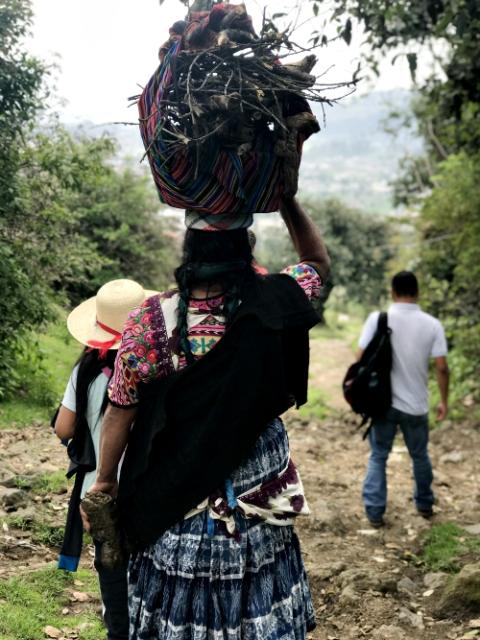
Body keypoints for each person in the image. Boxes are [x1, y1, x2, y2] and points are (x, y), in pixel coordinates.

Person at [85, 197, 330, 640]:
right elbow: (316, 262)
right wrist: (288, 199)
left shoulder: (149, 320)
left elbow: (120, 408)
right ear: (246, 246)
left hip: (174, 498)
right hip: (257, 502)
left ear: (189, 250)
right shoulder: (277, 300)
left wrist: (105, 479)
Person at [54, 279, 156, 640]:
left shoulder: (84, 372)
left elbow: (64, 428)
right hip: (148, 484)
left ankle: (117, 623)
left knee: (109, 559)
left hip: (98, 490)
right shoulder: (154, 368)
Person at [358, 271, 449, 527]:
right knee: (420, 455)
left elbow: (360, 359)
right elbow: (442, 367)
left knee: (378, 456)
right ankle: (424, 504)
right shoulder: (432, 324)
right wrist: (444, 401)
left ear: (392, 292)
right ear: (417, 292)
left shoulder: (378, 319)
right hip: (417, 405)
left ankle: (375, 513)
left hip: (383, 403)